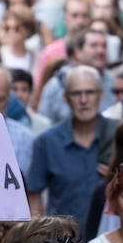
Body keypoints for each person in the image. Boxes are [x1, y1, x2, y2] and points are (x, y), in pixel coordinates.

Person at [28, 65, 118, 231]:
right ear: (65, 97)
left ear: (100, 95)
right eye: (76, 93)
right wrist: (40, 239)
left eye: (90, 92)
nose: (83, 100)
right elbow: (34, 196)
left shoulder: (119, 136)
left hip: (113, 241)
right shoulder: (47, 142)